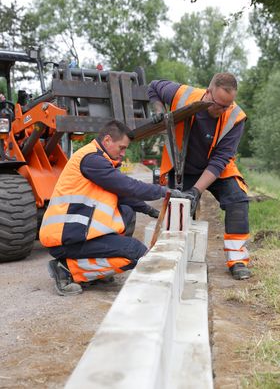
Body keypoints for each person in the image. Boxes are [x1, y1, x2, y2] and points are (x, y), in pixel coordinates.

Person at [39, 120, 187, 296]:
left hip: (77, 234)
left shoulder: (98, 158)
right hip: (65, 239)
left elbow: (122, 195)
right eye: (122, 148)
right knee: (135, 252)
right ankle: (66, 268)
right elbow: (127, 186)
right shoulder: (92, 160)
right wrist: (164, 191)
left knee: (127, 211)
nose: (123, 153)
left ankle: (93, 270)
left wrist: (150, 211)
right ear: (107, 140)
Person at [148, 73, 251, 280]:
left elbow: (220, 160)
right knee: (178, 208)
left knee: (238, 200)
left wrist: (196, 191)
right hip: (182, 167)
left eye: (226, 106)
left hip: (216, 170)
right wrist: (159, 110)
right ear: (208, 92)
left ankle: (237, 259)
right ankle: (173, 257)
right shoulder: (184, 95)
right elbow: (153, 86)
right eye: (217, 104)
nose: (221, 110)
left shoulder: (235, 116)